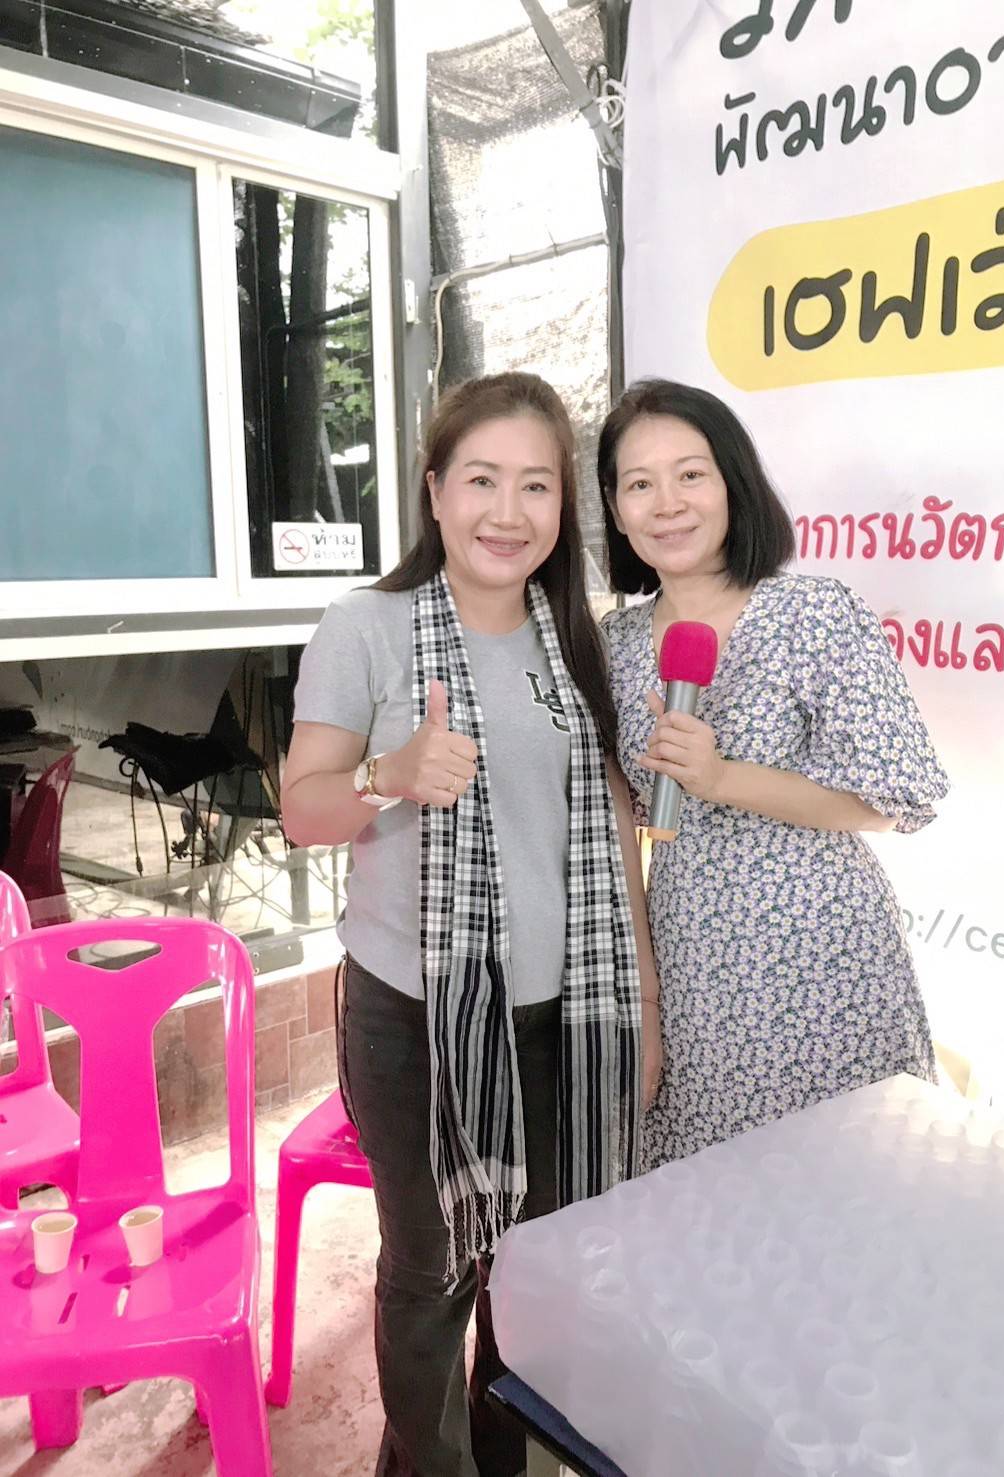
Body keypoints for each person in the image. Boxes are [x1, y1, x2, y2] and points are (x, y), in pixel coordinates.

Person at [282, 371, 660, 1477]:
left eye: (535, 485)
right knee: (430, 1270)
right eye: (482, 480)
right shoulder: (366, 626)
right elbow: (303, 809)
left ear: (562, 506)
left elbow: (615, 831)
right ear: (436, 490)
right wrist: (388, 774)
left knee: (532, 1266)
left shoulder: (575, 641)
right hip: (415, 1017)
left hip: (563, 1016)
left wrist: (642, 1002)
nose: (508, 511)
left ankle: (504, 1459)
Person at [598, 378, 949, 1169]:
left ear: (733, 482)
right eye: (639, 484)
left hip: (822, 954)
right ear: (616, 510)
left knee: (843, 1188)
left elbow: (896, 798)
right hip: (691, 960)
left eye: (691, 474)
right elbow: (620, 815)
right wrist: (645, 992)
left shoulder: (815, 614)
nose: (667, 504)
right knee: (708, 1199)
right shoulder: (614, 642)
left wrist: (722, 777)